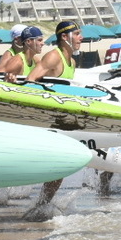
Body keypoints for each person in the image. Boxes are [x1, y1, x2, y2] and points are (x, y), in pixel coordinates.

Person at [25, 20, 85, 213]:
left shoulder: (72, 61)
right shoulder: (53, 57)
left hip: (62, 120)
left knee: (60, 168)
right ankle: (39, 205)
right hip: (46, 119)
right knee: (58, 165)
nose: (80, 38)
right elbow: (30, 81)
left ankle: (41, 206)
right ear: (64, 37)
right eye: (77, 34)